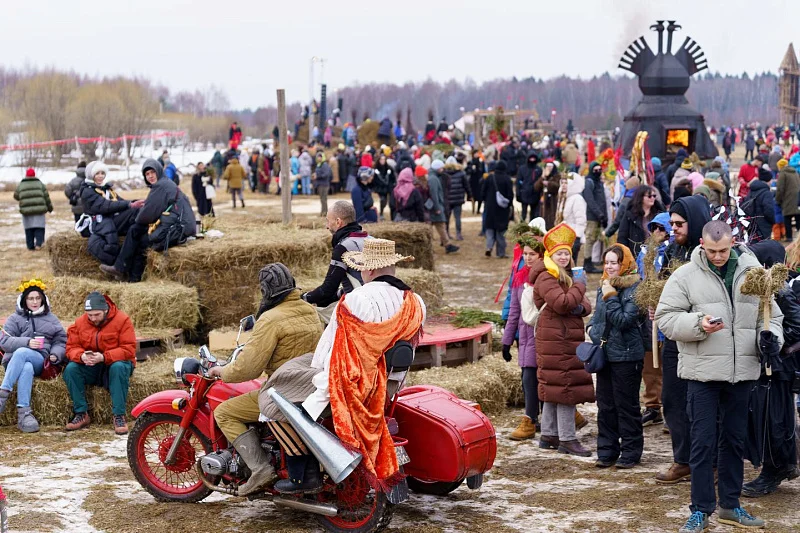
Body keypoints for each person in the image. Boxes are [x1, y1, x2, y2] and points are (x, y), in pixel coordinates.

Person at [260, 239, 426, 494]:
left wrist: (314, 392)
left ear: (369, 270)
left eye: (360, 268)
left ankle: (301, 474)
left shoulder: (354, 301)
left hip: (351, 386)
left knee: (270, 398)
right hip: (389, 385)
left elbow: (334, 357)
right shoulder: (415, 302)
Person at [657, 221, 783, 532]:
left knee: (734, 441)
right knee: (702, 443)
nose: (717, 256)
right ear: (702, 243)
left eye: (724, 250)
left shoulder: (753, 273)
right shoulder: (685, 275)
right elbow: (666, 318)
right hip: (702, 374)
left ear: (733, 243)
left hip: (742, 374)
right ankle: (700, 510)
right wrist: (699, 324)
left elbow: (771, 315)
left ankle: (730, 505)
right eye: (712, 250)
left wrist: (769, 337)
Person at [207, 264, 322, 495]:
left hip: (284, 388)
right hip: (314, 384)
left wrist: (222, 371)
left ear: (266, 290)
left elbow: (248, 368)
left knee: (225, 412)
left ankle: (260, 469)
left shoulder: (270, 319)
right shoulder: (310, 310)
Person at [654, 195, 711, 485]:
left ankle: (711, 464)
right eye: (672, 223)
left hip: (705, 340)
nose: (673, 228)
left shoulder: (709, 253)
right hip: (675, 337)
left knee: (702, 404)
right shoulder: (670, 253)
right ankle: (683, 459)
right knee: (673, 400)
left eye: (679, 223)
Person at [741, 239, 800, 498]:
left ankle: (775, 469)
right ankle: (779, 465)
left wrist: (776, 341)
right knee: (765, 417)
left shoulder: (783, 291)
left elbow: (797, 326)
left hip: (779, 368)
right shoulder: (764, 289)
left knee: (774, 419)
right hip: (766, 366)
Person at [530, 223, 594, 456]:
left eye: (567, 253)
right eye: (560, 253)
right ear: (550, 255)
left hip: (562, 337)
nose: (564, 257)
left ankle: (549, 434)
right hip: (557, 339)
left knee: (554, 386)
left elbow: (585, 305)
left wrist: (577, 303)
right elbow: (563, 303)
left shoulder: (563, 276)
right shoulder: (547, 277)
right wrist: (579, 286)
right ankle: (567, 438)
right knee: (565, 387)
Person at [589, 244, 644, 469]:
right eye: (607, 262)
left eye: (615, 262)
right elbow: (596, 317)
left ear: (625, 264)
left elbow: (623, 320)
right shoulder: (602, 285)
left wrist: (611, 297)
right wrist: (591, 329)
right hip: (606, 353)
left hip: (627, 356)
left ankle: (631, 452)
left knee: (626, 406)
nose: (610, 267)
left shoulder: (635, 289)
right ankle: (607, 450)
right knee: (605, 406)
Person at [100, 159, 196, 282]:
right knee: (137, 231)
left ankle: (128, 275)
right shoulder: (166, 183)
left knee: (139, 236)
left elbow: (145, 216)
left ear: (158, 171)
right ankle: (126, 272)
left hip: (176, 230)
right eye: (147, 174)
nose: (150, 176)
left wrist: (133, 217)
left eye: (152, 172)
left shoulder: (161, 186)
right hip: (178, 226)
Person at [63, 292, 136, 434]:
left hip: (115, 363)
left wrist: (104, 357)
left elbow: (129, 349)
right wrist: (81, 356)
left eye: (97, 315)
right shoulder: (80, 322)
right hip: (92, 365)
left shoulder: (122, 320)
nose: (93, 319)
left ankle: (119, 415)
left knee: (118, 367)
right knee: (71, 369)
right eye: (89, 315)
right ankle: (81, 413)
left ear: (105, 310)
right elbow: (71, 347)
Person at [0, 279, 67, 433]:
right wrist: (27, 342)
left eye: (38, 298)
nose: (35, 302)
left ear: (43, 299)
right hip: (13, 362)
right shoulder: (14, 319)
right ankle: (24, 414)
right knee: (26, 366)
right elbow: (4, 341)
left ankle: (3, 394)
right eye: (31, 298)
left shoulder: (51, 318)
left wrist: (56, 354)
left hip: (40, 360)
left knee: (25, 356)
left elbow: (61, 341)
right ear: (24, 300)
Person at [502, 233, 546, 441]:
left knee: (545, 378)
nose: (528, 258)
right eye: (525, 254)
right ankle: (530, 419)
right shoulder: (519, 278)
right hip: (526, 338)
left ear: (541, 255)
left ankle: (550, 418)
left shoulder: (547, 277)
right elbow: (514, 311)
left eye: (533, 254)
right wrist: (507, 340)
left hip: (545, 336)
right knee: (528, 379)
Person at [302, 201, 370, 319]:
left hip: (360, 310)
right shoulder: (372, 240)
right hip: (380, 301)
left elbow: (327, 289)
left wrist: (303, 298)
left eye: (328, 221)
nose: (326, 226)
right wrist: (338, 293)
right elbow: (365, 282)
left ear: (338, 222)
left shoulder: (343, 246)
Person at [635, 212, 672, 427]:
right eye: (654, 228)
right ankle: (652, 406)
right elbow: (643, 279)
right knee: (650, 363)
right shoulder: (645, 253)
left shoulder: (673, 253)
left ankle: (671, 408)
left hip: (667, 314)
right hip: (649, 315)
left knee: (668, 364)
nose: (658, 232)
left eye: (662, 228)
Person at [79, 161, 143, 266]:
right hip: (99, 223)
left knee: (136, 210)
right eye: (97, 173)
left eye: (102, 173)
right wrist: (130, 205)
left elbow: (119, 202)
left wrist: (135, 202)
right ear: (91, 175)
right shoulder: (87, 191)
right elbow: (105, 206)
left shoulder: (105, 188)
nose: (100, 176)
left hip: (110, 219)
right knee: (132, 211)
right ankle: (117, 263)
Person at [618, 185, 665, 258]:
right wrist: (625, 255)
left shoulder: (659, 214)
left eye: (654, 196)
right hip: (637, 254)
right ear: (641, 197)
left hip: (657, 253)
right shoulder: (630, 215)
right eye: (649, 196)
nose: (652, 198)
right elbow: (622, 236)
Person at [14, 168, 52, 251]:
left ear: (26, 175)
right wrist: (50, 208)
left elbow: (16, 196)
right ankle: (39, 244)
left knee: (29, 229)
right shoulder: (40, 184)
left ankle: (30, 246)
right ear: (34, 175)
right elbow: (46, 197)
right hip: (39, 211)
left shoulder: (21, 185)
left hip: (26, 212)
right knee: (39, 227)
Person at [482, 160, 513, 258]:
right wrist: (509, 205)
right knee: (501, 231)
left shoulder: (490, 178)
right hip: (502, 210)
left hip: (490, 208)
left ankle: (489, 247)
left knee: (490, 229)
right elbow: (510, 195)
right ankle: (501, 253)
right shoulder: (507, 179)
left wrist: (486, 202)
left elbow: (483, 192)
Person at [429, 160, 459, 254]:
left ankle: (447, 244)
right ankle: (447, 245)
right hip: (435, 208)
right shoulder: (433, 179)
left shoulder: (434, 177)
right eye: (441, 168)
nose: (442, 169)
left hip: (435, 207)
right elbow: (434, 194)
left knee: (440, 226)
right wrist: (437, 207)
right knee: (439, 226)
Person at [583, 162, 607, 273]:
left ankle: (592, 262)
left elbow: (602, 201)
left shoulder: (599, 183)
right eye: (595, 170)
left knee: (596, 239)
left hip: (599, 217)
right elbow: (590, 200)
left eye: (599, 169)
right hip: (592, 217)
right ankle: (587, 263)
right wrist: (599, 213)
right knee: (590, 239)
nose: (598, 172)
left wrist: (604, 217)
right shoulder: (589, 182)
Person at [742, 171, 776, 242]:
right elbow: (768, 210)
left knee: (753, 247)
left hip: (751, 224)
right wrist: (773, 221)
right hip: (763, 226)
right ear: (768, 180)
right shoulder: (766, 193)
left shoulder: (751, 190)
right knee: (764, 248)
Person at [444, 156, 471, 241]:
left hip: (447, 199)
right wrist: (469, 195)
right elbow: (466, 185)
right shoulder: (461, 173)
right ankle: (458, 234)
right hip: (458, 198)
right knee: (457, 217)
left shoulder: (444, 173)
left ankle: (447, 233)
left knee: (447, 217)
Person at [562, 173, 587, 259]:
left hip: (574, 236)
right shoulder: (568, 197)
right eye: (562, 183)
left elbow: (581, 220)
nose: (563, 185)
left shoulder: (577, 199)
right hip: (566, 234)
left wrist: (577, 237)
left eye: (566, 183)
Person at [775, 158, 800, 241]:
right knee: (797, 217)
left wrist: (778, 200)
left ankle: (789, 237)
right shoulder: (795, 171)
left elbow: (780, 189)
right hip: (797, 199)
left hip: (787, 199)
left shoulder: (783, 173)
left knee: (787, 219)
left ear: (780, 166)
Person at [535, 161, 561, 230]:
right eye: (548, 167)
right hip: (544, 202)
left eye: (551, 167)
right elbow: (536, 187)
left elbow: (558, 187)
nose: (549, 168)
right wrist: (542, 178)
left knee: (551, 219)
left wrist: (549, 184)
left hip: (553, 201)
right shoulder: (543, 176)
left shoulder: (557, 176)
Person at [517, 152, 540, 222]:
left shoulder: (538, 169)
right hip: (524, 193)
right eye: (531, 158)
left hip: (535, 194)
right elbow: (518, 181)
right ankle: (521, 228)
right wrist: (518, 193)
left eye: (534, 158)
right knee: (523, 213)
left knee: (533, 214)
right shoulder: (522, 169)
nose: (532, 160)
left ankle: (532, 228)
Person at [372, 154, 396, 221]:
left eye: (384, 159)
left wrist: (393, 184)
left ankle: (393, 216)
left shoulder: (389, 168)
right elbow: (374, 180)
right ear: (379, 160)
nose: (382, 161)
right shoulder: (376, 169)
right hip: (381, 188)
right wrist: (375, 187)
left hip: (389, 187)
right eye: (381, 159)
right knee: (383, 200)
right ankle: (381, 213)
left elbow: (393, 178)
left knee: (391, 202)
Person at [314, 152, 332, 217]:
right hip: (320, 184)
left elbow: (326, 174)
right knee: (322, 199)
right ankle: (323, 211)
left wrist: (317, 176)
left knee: (324, 199)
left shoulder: (324, 165)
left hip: (324, 184)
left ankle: (325, 212)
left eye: (320, 157)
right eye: (318, 157)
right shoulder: (319, 165)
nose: (319, 158)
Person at [467, 150, 486, 215]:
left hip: (480, 181)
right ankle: (473, 209)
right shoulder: (470, 162)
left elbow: (483, 171)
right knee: (473, 196)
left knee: (480, 196)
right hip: (473, 182)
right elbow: (468, 171)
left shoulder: (481, 162)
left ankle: (478, 209)